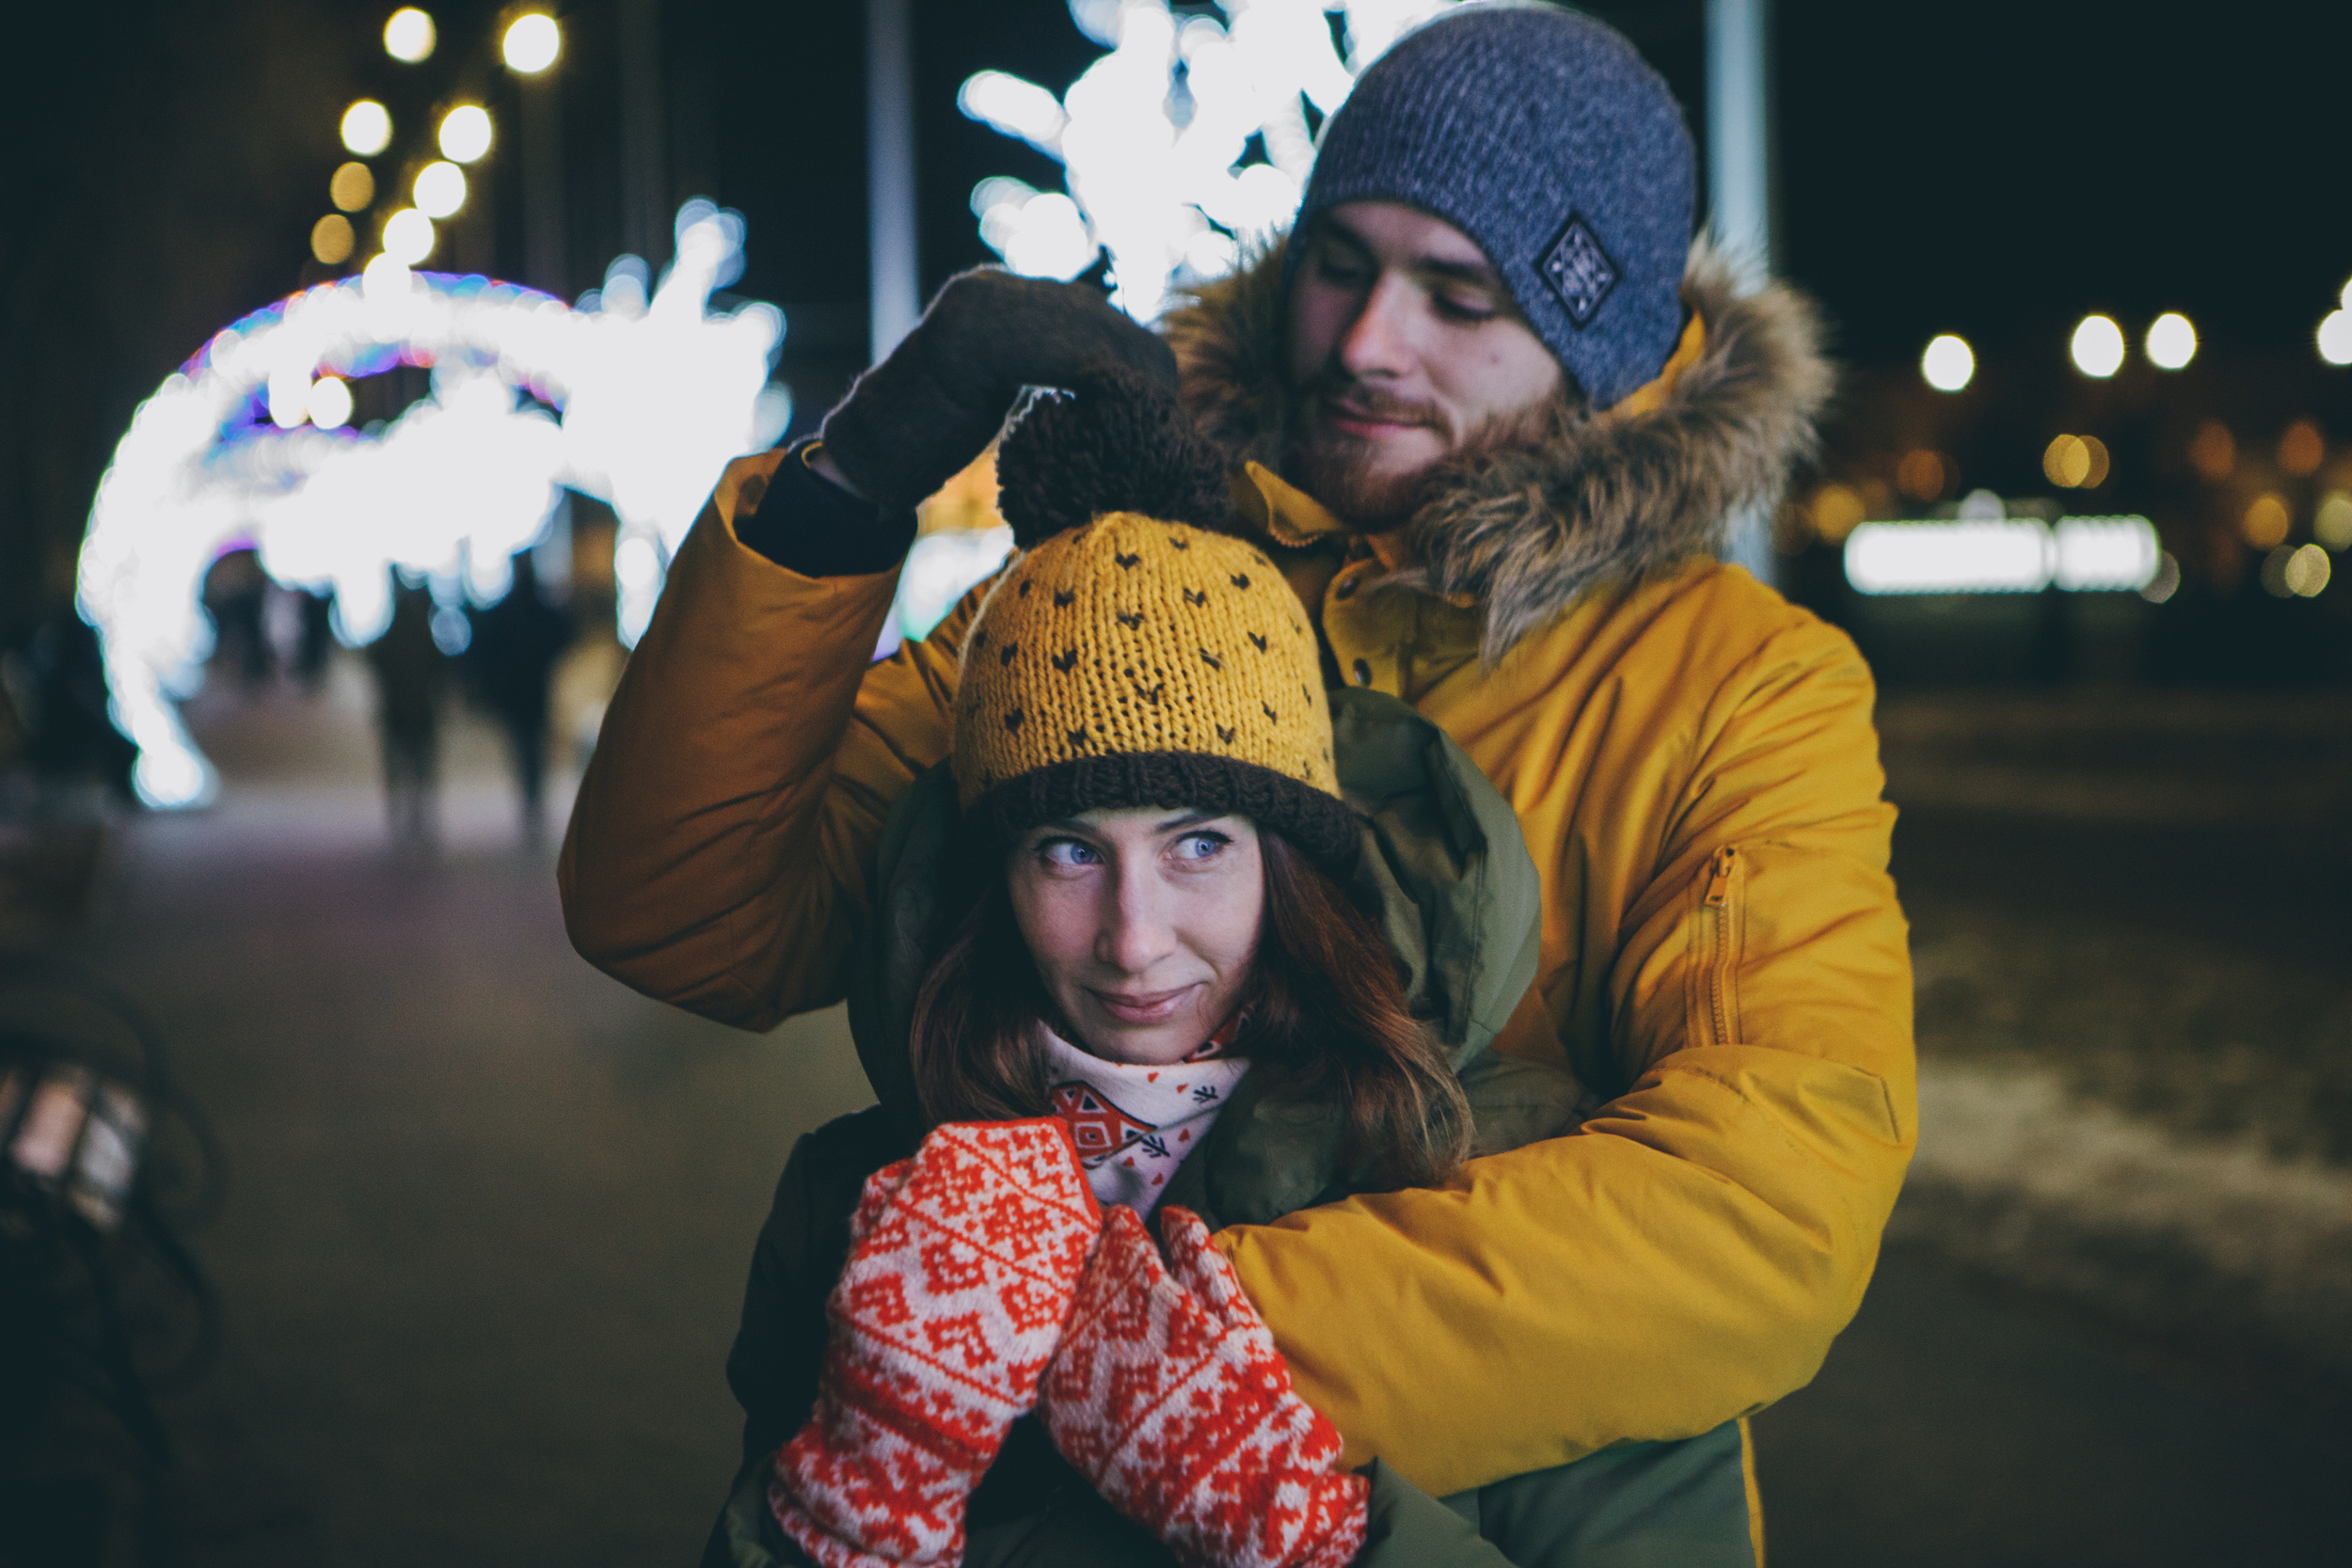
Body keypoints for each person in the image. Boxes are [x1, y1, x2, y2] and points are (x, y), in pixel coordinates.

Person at [564, 2, 1914, 1554]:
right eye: (1340, 263)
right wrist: (847, 490)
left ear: (1600, 353)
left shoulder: (1736, 686)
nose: (1363, 342)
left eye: (1459, 295)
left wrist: (1159, 1349)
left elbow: (1767, 1199)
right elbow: (689, 914)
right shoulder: (1133, 592)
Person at [707, 372, 1718, 1568]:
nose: (1133, 938)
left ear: (1288, 861)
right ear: (996, 877)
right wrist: (860, 1494)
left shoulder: (1519, 1169)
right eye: (1069, 849)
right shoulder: (857, 1201)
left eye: (1197, 844)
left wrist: (1310, 1536)